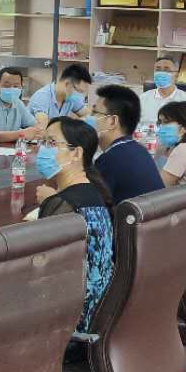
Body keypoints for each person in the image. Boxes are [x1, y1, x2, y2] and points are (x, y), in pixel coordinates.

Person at [32, 117, 115, 350]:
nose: (43, 150)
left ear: (77, 153)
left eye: (51, 143)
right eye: (42, 142)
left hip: (70, 326)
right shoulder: (94, 191)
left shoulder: (63, 204)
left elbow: (40, 268)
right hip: (98, 315)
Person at [92, 84, 165, 204]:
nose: (90, 118)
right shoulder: (140, 151)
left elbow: (91, 207)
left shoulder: (110, 160)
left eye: (94, 112)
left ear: (112, 121)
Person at [138, 55, 186, 126]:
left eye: (166, 70)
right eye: (158, 70)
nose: (161, 73)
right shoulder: (142, 98)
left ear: (176, 75)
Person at [28, 63, 92, 124]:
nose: (81, 96)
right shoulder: (42, 97)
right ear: (67, 84)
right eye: (79, 91)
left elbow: (90, 116)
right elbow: (43, 127)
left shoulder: (70, 97)